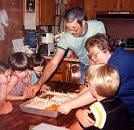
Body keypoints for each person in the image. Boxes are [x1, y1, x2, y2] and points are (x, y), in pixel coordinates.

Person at [26, 7, 106, 97]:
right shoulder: (66, 38)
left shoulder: (98, 26)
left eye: (74, 28)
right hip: (84, 64)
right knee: (83, 95)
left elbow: (94, 57)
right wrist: (38, 84)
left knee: (95, 93)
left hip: (99, 64)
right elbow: (54, 62)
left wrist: (87, 83)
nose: (71, 32)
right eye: (68, 28)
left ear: (83, 22)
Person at [58, 33, 134, 125]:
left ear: (106, 50)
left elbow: (98, 90)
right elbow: (94, 84)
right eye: (91, 56)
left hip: (127, 113)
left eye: (95, 55)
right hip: (119, 106)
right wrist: (75, 97)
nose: (93, 59)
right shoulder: (115, 54)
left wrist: (69, 105)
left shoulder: (118, 65)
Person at [70, 64, 130, 130]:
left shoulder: (98, 110)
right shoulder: (119, 101)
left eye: (87, 83)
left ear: (93, 89)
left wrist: (77, 113)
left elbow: (74, 128)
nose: (87, 86)